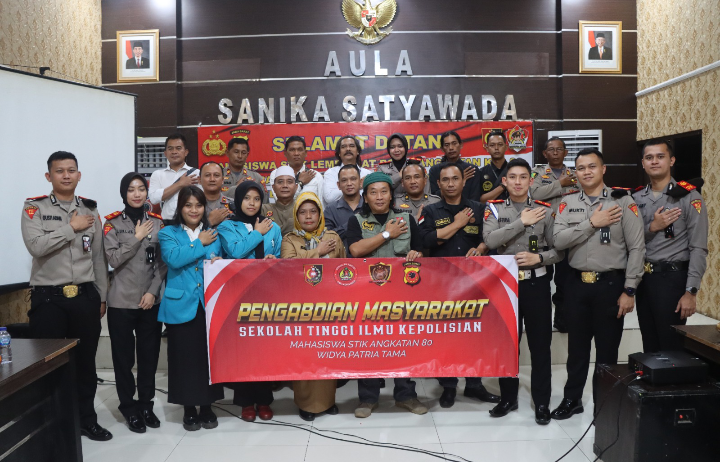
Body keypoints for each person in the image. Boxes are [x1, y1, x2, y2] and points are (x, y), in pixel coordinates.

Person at [21, 151, 112, 441]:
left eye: (71, 170)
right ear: (49, 176)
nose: (66, 175)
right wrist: (71, 227)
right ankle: (51, 426)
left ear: (79, 175)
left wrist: (101, 296)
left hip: (84, 297)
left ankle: (86, 420)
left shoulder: (90, 210)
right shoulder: (34, 208)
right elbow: (36, 246)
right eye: (59, 171)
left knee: (85, 365)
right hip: (48, 300)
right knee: (48, 365)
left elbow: (98, 258)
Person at [550, 148, 645, 421]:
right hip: (576, 286)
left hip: (610, 287)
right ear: (575, 173)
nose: (586, 172)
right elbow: (558, 241)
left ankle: (605, 405)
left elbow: (637, 248)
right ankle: (572, 400)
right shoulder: (567, 202)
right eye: (581, 168)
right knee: (577, 349)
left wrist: (629, 290)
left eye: (592, 166)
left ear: (603, 169)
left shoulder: (623, 201)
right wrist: (592, 223)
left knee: (607, 351)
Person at [482, 159, 561, 425]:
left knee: (540, 346)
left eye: (523, 177)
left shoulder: (545, 210)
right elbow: (489, 240)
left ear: (530, 181)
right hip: (505, 287)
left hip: (536, 285)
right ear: (504, 181)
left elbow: (559, 250)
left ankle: (542, 402)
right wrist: (521, 222)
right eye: (512, 177)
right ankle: (508, 398)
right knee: (507, 345)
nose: (517, 182)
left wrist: (540, 258)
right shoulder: (493, 208)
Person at [418, 162, 499, 409]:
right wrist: (457, 223)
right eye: (446, 180)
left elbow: (491, 238)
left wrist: (482, 248)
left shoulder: (480, 208)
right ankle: (449, 386)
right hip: (443, 285)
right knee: (447, 337)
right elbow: (426, 240)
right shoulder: (430, 211)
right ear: (438, 184)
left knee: (475, 335)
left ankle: (474, 384)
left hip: (476, 284)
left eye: (455, 179)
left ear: (464, 182)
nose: (451, 184)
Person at [347, 172, 427, 418]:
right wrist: (386, 234)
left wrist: (416, 255)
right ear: (366, 197)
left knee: (404, 346)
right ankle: (368, 398)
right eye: (373, 192)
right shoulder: (356, 220)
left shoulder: (406, 219)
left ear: (392, 195)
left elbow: (421, 251)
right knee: (368, 348)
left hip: (402, 295)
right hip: (368, 296)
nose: (379, 197)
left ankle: (406, 395)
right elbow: (355, 250)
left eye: (384, 191)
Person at [104, 173, 167, 433]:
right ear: (124, 193)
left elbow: (162, 264)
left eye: (141, 189)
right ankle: (128, 407)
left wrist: (153, 292)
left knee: (148, 357)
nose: (137, 194)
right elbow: (113, 259)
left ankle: (146, 405)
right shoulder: (112, 223)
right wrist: (137, 237)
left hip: (149, 302)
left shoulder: (157, 223)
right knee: (123, 359)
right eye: (131, 189)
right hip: (121, 302)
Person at [158, 186, 224, 431]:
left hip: (208, 304)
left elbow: (216, 260)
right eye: (188, 205)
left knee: (207, 358)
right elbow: (174, 259)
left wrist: (217, 261)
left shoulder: (213, 233)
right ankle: (188, 409)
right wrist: (199, 242)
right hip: (180, 305)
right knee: (183, 359)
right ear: (180, 208)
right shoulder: (168, 233)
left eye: (198, 205)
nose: (194, 210)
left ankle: (207, 406)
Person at [634, 140, 708, 352]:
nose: (654, 161)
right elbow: (631, 242)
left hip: (673, 280)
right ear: (643, 163)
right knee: (649, 345)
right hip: (644, 280)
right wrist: (653, 228)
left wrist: (691, 291)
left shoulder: (689, 197)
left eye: (660, 156)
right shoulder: (636, 198)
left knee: (671, 348)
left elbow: (698, 248)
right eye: (649, 157)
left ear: (671, 160)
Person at [217, 181, 281, 421]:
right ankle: (245, 402)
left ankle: (264, 400)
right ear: (238, 201)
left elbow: (280, 258)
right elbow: (235, 252)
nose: (252, 203)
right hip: (238, 295)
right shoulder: (227, 226)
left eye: (256, 198)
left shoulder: (273, 226)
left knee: (264, 350)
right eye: (247, 198)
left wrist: (273, 259)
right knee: (242, 351)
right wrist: (257, 233)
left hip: (266, 295)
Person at [281, 192, 344, 421]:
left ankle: (328, 401)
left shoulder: (333, 237)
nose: (308, 216)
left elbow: (344, 267)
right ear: (296, 216)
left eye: (313, 211)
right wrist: (318, 251)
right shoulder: (290, 239)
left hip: (330, 307)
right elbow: (287, 266)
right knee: (305, 356)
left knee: (328, 355)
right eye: (303, 212)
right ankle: (306, 404)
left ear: (320, 214)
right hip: (301, 309)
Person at [530, 137, 578, 333]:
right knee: (543, 278)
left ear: (566, 153)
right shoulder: (537, 173)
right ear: (545, 153)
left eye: (559, 149)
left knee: (565, 280)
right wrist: (560, 184)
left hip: (567, 233)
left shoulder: (575, 174)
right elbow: (534, 194)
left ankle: (562, 319)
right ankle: (541, 321)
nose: (556, 152)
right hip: (543, 233)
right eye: (551, 149)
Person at [149, 134, 200, 222]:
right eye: (170, 149)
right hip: (167, 223)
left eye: (178, 148)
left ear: (186, 152)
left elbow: (203, 199)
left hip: (191, 222)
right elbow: (153, 199)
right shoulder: (157, 174)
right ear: (165, 153)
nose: (174, 152)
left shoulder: (196, 173)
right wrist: (180, 184)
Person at [268, 136, 323, 205]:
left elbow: (321, 204)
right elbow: (283, 202)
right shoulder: (276, 174)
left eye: (300, 150)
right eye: (292, 150)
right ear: (285, 153)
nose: (296, 153)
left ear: (305, 153)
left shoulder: (315, 175)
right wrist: (300, 182)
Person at [428, 131, 481, 200]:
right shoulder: (435, 170)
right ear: (442, 149)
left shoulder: (471, 170)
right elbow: (433, 197)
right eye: (447, 145)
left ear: (461, 145)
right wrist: (459, 179)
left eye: (454, 143)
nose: (451, 148)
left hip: (467, 207)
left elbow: (475, 199)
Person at [324, 164, 364, 253]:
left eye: (353, 179)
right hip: (339, 259)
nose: (349, 183)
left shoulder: (370, 206)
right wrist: (352, 223)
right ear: (338, 185)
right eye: (344, 180)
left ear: (360, 182)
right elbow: (327, 239)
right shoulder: (330, 210)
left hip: (368, 259)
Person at [322, 135, 372, 204]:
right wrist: (357, 187)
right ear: (339, 153)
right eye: (343, 147)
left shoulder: (367, 174)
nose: (348, 149)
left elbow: (372, 197)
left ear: (358, 151)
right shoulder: (331, 172)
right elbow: (329, 198)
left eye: (352, 146)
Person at [261, 165, 298, 236]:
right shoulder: (264, 209)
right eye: (280, 182)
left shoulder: (301, 209)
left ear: (296, 187)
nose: (285, 185)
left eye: (289, 182)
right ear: (273, 188)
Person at [478, 130, 510, 203]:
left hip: (511, 209)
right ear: (487, 148)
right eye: (492, 145)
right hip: (489, 210)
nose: (496, 148)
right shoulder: (481, 172)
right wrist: (503, 186)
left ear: (506, 147)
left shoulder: (513, 170)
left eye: (500, 144)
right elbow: (480, 201)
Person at [200, 162, 233, 227]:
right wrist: (210, 222)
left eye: (216, 175)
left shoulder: (233, 204)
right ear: (199, 180)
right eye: (207, 175)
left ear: (222, 180)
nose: (212, 179)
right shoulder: (192, 206)